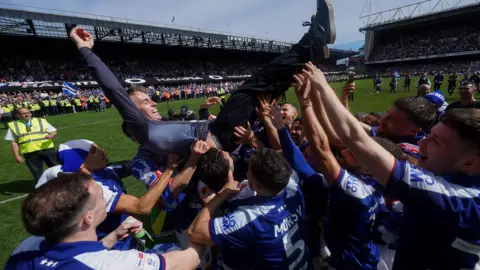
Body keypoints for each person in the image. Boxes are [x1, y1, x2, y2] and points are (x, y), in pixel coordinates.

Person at [69, 0, 336, 155]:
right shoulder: (142, 129)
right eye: (144, 101)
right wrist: (86, 51)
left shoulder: (156, 128)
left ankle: (310, 51)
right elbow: (114, 90)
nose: (152, 103)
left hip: (220, 132)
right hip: (220, 136)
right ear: (132, 111)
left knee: (264, 89)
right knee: (257, 84)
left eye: (149, 99)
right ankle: (313, 41)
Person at [303, 62, 480, 270]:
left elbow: (355, 138)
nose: (421, 144)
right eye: (429, 136)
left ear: (469, 162)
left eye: (437, 141)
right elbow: (352, 134)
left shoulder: (459, 200)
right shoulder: (447, 173)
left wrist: (321, 87)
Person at [5, 173, 204, 270]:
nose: (108, 198)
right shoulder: (116, 264)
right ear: (88, 217)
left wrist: (112, 237)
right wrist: (201, 227)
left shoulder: (25, 249)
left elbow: (75, 257)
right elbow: (186, 262)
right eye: (103, 195)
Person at [188, 148, 312, 269]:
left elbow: (195, 231)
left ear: (257, 186)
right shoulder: (293, 187)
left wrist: (221, 195)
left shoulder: (252, 220)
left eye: (249, 172)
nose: (246, 174)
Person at [4, 107, 58, 182]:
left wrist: (51, 135)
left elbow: (54, 131)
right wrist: (16, 155)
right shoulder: (14, 125)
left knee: (56, 168)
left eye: (28, 112)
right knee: (37, 173)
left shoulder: (40, 121)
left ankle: (63, 185)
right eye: (24, 113)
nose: (27, 115)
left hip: (46, 149)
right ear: (18, 115)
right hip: (29, 152)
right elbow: (14, 142)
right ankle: (43, 189)